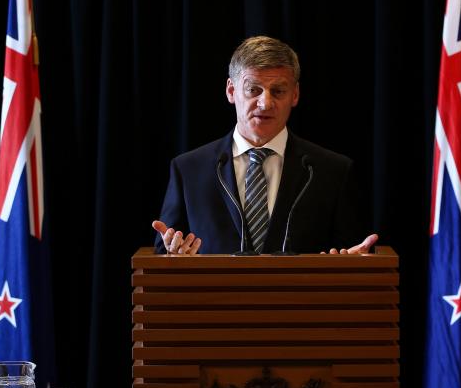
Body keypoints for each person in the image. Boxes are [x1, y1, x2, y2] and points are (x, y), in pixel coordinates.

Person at [152, 35, 377, 255]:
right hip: (215, 293)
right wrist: (174, 253)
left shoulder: (333, 171)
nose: (266, 103)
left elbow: (355, 251)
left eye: (278, 91)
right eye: (253, 90)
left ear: (295, 94)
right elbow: (166, 250)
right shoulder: (189, 169)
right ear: (231, 91)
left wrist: (352, 259)